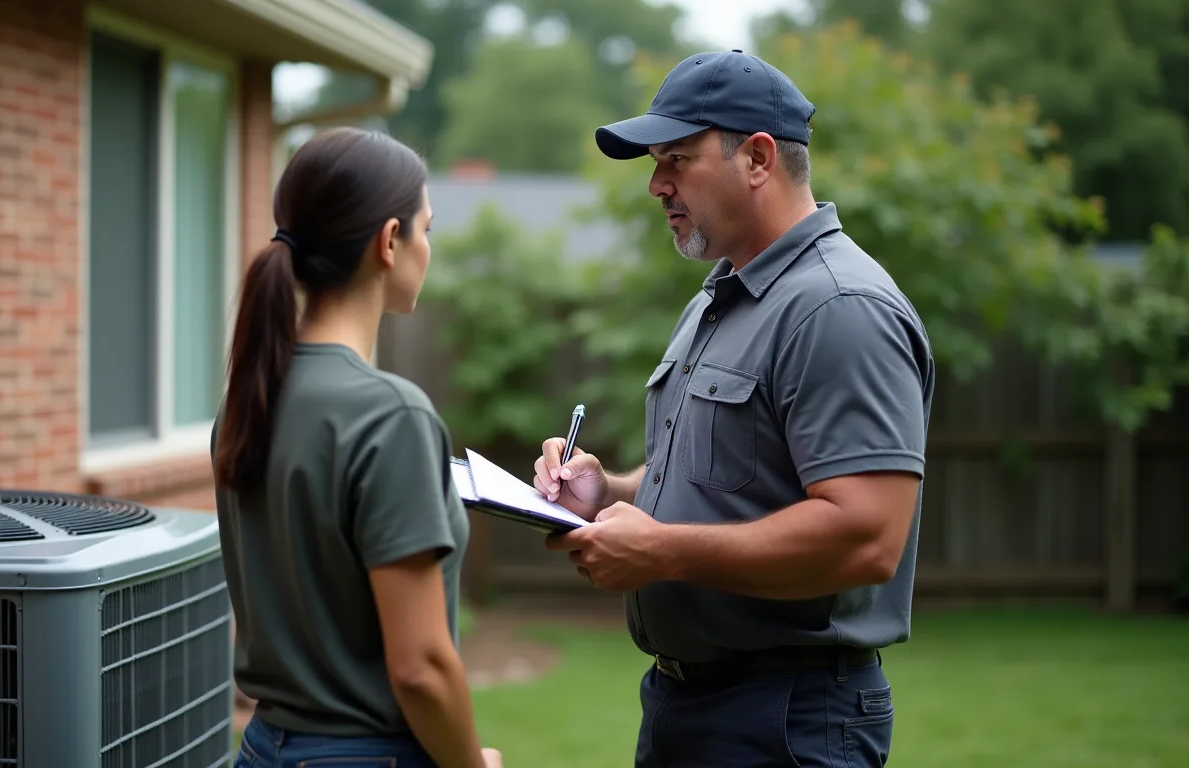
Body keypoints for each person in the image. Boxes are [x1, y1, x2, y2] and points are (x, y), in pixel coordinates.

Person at [532, 50, 935, 767]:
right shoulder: (722, 299)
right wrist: (610, 494)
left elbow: (867, 536)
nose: (656, 185)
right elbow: (724, 483)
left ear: (756, 158)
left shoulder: (839, 306)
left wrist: (661, 552)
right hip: (688, 706)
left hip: (787, 718)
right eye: (655, 163)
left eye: (677, 159)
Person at [212, 126, 501, 768]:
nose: (430, 247)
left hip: (262, 748)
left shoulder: (248, 401)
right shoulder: (390, 415)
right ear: (390, 242)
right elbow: (421, 667)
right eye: (426, 229)